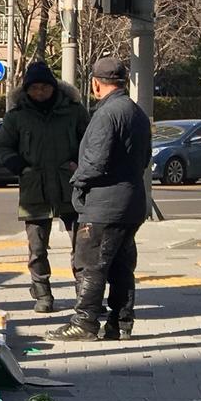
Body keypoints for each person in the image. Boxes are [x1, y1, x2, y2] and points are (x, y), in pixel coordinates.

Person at [53, 54, 153, 342]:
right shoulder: (137, 113)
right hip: (131, 201)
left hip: (104, 205)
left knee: (90, 264)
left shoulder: (106, 114)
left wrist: (78, 181)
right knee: (122, 265)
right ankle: (121, 321)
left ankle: (84, 321)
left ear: (96, 84)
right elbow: (144, 158)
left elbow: (95, 162)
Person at [0, 60, 89, 313]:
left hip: (70, 185)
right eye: (33, 88)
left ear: (54, 87)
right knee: (37, 247)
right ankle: (42, 293)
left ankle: (85, 295)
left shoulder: (73, 111)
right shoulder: (17, 116)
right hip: (34, 187)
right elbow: (3, 146)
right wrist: (18, 166)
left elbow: (90, 142)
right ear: (26, 90)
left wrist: (78, 164)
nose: (38, 93)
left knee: (81, 245)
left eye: (43, 88)